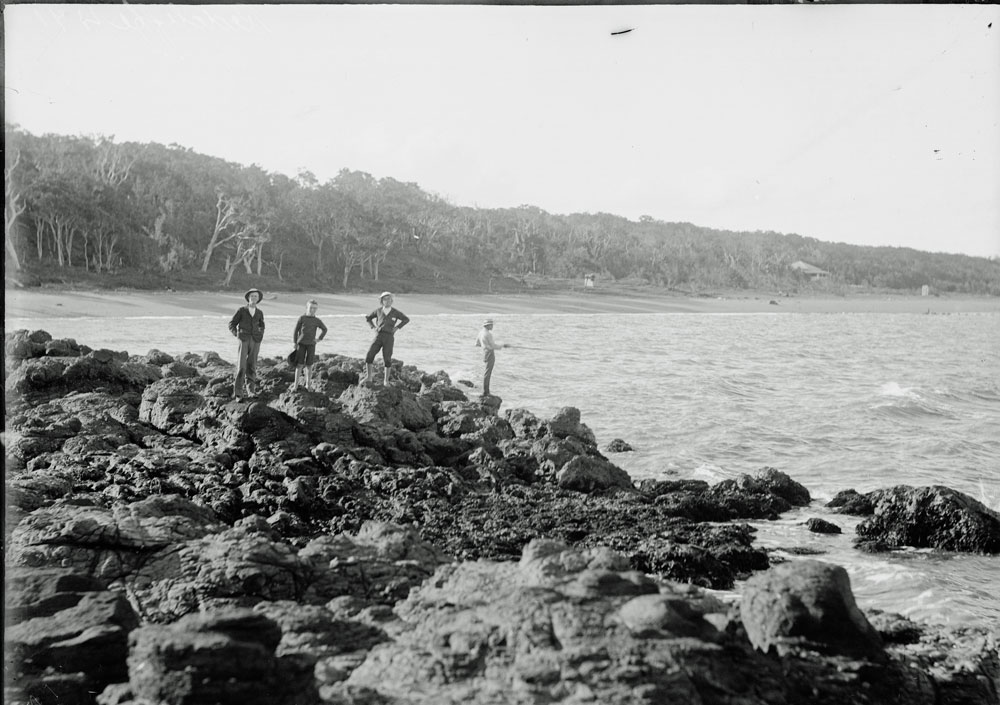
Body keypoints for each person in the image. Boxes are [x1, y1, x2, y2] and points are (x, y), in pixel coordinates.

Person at [364, 291, 409, 385]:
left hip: (389, 337)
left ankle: (386, 381)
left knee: (387, 358)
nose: (387, 301)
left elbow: (406, 319)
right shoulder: (378, 311)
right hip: (378, 335)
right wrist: (373, 327)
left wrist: (397, 328)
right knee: (369, 355)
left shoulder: (396, 312)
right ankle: (368, 377)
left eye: (389, 299)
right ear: (382, 301)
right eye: (385, 299)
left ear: (392, 300)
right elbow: (368, 318)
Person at [228, 288, 265, 398]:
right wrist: (237, 335)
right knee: (241, 367)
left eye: (256, 296)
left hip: (256, 340)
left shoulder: (259, 312)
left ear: (258, 299)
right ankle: (238, 393)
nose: (254, 298)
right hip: (243, 340)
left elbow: (262, 326)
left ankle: (251, 391)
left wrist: (260, 335)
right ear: (248, 298)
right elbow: (232, 324)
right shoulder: (241, 310)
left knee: (252, 366)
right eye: (252, 296)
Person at [292, 299, 328, 391]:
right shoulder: (302, 318)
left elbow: (325, 329)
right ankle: (295, 386)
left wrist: (319, 339)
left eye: (315, 308)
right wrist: (294, 343)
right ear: (307, 308)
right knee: (299, 365)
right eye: (311, 308)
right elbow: (295, 331)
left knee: (309, 365)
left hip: (311, 345)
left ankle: (308, 385)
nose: (312, 310)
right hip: (301, 344)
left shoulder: (317, 320)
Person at [475, 318, 506, 397]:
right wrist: (502, 346)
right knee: (488, 373)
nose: (492, 326)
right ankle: (486, 392)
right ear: (488, 325)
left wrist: (484, 346)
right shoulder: (488, 334)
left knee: (486, 372)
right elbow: (493, 346)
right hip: (490, 353)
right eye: (491, 325)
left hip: (485, 353)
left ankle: (485, 391)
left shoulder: (481, 333)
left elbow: (477, 344)